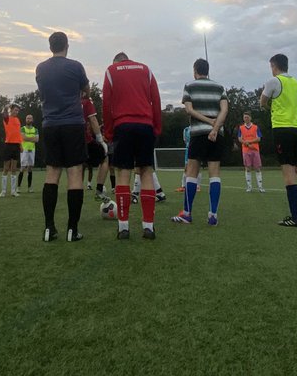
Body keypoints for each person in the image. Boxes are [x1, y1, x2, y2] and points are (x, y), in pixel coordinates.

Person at [34, 31, 89, 242]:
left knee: (52, 174)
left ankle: (49, 228)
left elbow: (44, 92)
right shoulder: (75, 66)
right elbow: (86, 90)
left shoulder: (40, 68)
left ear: (50, 47)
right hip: (73, 124)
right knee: (75, 174)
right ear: (67, 45)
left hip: (50, 125)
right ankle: (72, 230)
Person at [102, 52, 162, 240]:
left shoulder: (111, 71)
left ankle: (123, 227)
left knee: (123, 173)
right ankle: (148, 226)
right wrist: (156, 127)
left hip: (123, 126)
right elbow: (156, 99)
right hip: (145, 125)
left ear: (116, 62)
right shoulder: (146, 69)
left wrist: (109, 131)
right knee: (146, 171)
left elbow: (106, 103)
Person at [261, 55, 297, 228]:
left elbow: (262, 102)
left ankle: (295, 217)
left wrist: (270, 107)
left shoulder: (273, 81)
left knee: (288, 171)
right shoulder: (296, 82)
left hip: (282, 129)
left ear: (273, 65)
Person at [174, 58, 227, 226]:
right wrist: (215, 127)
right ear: (208, 70)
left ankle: (187, 214)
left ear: (195, 71)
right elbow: (224, 110)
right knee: (215, 173)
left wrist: (209, 123)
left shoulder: (189, 86)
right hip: (216, 135)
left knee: (192, 172)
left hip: (197, 134)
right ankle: (213, 216)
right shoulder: (219, 87)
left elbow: (189, 110)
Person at [82, 89, 110, 196]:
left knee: (78, 166)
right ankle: (99, 189)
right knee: (105, 158)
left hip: (70, 139)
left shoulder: (69, 100)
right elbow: (93, 120)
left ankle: (76, 190)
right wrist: (100, 140)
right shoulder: (86, 102)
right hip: (85, 140)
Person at [0, 104, 23, 197]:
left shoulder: (18, 120)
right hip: (8, 145)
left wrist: (20, 145)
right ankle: (3, 191)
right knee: (6, 168)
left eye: (18, 111)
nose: (16, 112)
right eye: (15, 110)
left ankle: (13, 191)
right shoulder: (7, 118)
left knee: (14, 169)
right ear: (11, 110)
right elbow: (3, 113)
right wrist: (6, 106)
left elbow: (18, 134)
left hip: (16, 145)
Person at [239, 111, 264, 193]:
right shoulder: (241, 128)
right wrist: (245, 143)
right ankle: (249, 187)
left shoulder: (256, 127)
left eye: (247, 117)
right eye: (244, 117)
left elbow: (259, 138)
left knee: (257, 168)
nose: (246, 118)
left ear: (250, 118)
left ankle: (260, 187)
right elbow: (240, 139)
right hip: (245, 151)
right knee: (248, 168)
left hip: (255, 150)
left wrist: (249, 142)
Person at [18, 114, 39, 193]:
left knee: (30, 168)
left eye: (30, 118)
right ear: (25, 120)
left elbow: (37, 140)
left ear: (32, 120)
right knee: (23, 167)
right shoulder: (22, 129)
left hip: (32, 150)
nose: (28, 119)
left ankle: (29, 187)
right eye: (27, 118)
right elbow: (23, 138)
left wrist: (28, 138)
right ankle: (18, 187)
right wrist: (32, 138)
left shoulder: (35, 129)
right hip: (24, 150)